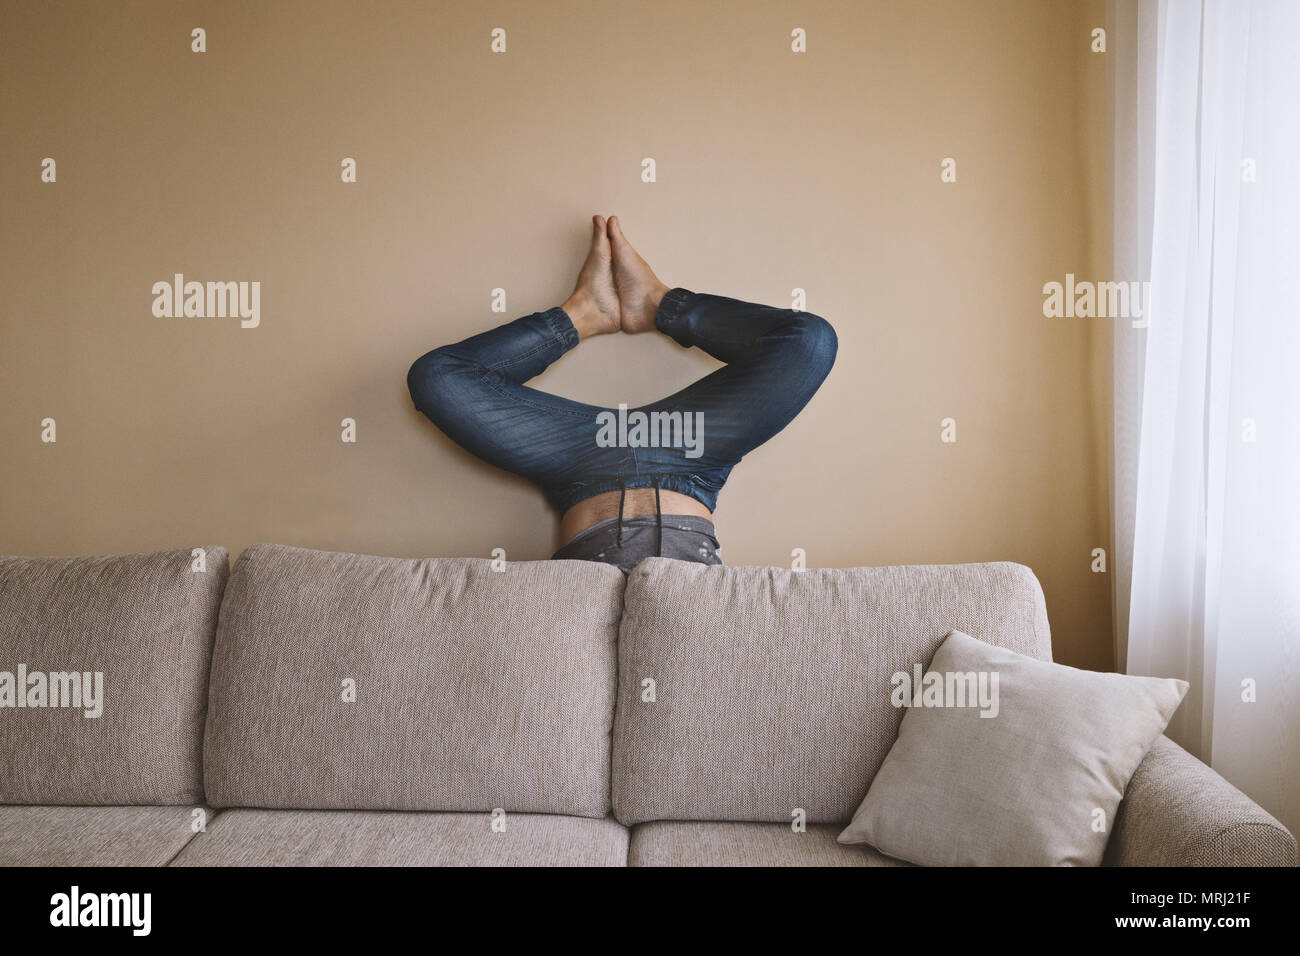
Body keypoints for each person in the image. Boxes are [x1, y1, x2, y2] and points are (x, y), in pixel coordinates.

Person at [407, 215, 836, 574]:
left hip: (582, 462)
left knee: (437, 378)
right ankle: (655, 303)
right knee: (809, 342)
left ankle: (582, 314)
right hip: (689, 453)